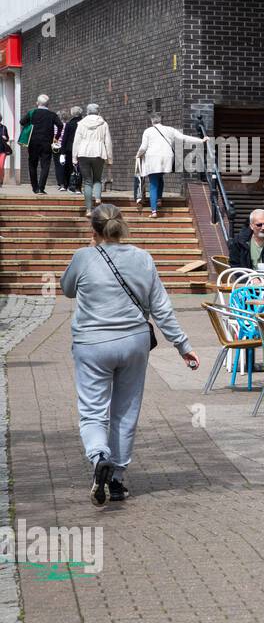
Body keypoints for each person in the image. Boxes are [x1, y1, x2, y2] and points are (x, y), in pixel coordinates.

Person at [61, 204, 200, 505]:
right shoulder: (142, 258)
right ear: (122, 226)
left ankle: (99, 457)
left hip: (92, 343)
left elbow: (67, 289)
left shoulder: (83, 257)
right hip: (134, 343)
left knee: (93, 409)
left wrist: (89, 250)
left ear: (94, 230)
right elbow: (161, 308)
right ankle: (117, 479)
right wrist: (183, 346)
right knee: (125, 410)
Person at [135, 113, 206, 218]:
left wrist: (138, 155)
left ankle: (154, 211)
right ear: (161, 120)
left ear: (152, 121)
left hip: (153, 158)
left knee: (153, 183)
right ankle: (159, 199)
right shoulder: (170, 129)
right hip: (167, 157)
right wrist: (201, 140)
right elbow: (183, 138)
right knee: (160, 176)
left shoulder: (148, 131)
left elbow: (143, 147)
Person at [72, 104, 114, 216]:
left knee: (87, 181)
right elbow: (108, 142)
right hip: (99, 152)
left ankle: (89, 210)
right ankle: (98, 197)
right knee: (97, 179)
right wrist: (109, 158)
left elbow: (76, 141)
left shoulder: (81, 124)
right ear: (98, 112)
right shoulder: (103, 124)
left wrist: (74, 157)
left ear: (87, 112)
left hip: (83, 153)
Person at [19, 94, 63, 194]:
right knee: (45, 165)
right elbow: (60, 125)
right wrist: (56, 137)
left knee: (32, 164)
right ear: (48, 104)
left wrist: (31, 125)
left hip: (33, 142)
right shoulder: (52, 115)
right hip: (47, 143)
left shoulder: (32, 113)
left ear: (37, 103)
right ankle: (41, 188)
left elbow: (22, 122)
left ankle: (35, 187)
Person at [58, 106, 83, 193]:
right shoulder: (83, 123)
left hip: (70, 148)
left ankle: (66, 185)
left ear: (72, 113)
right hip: (81, 148)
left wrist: (62, 151)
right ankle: (78, 187)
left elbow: (65, 138)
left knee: (68, 168)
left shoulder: (69, 124)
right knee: (79, 168)